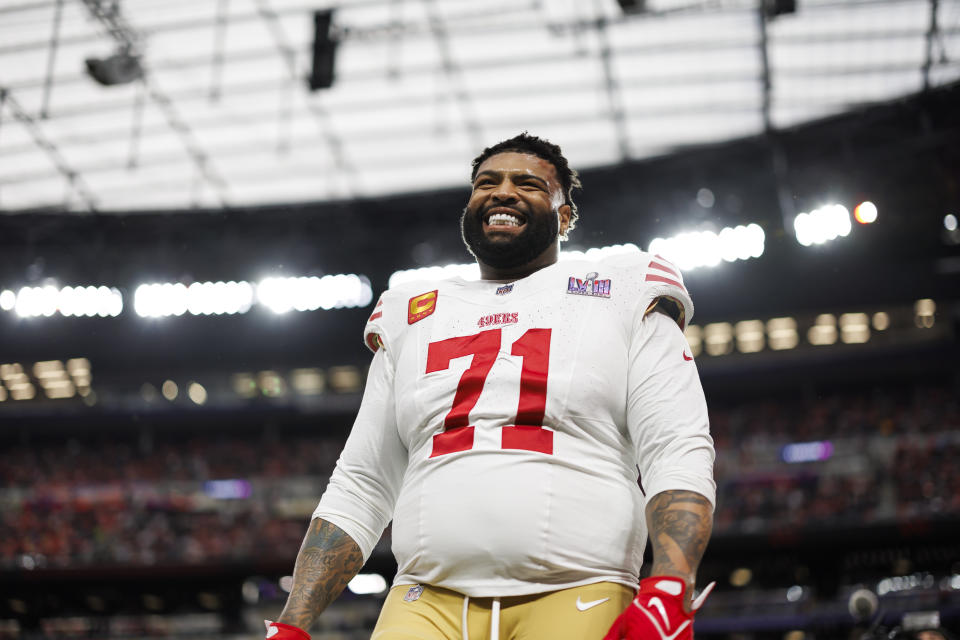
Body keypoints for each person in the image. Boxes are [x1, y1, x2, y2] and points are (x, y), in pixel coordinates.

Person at [264, 133, 716, 640]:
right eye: (486, 183)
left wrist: (670, 587)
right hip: (424, 600)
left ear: (565, 217)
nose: (502, 192)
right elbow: (362, 483)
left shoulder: (623, 288)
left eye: (528, 184)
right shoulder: (412, 311)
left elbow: (675, 446)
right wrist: (291, 626)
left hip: (577, 589)